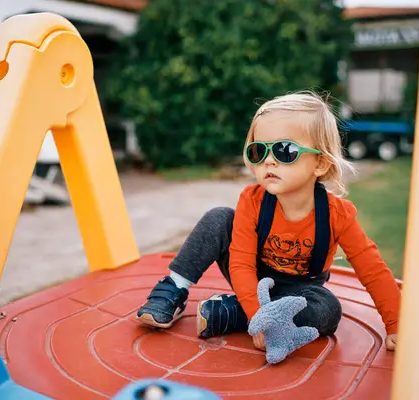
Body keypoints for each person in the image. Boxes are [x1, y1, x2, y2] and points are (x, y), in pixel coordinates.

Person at [136, 91, 401, 355]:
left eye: (285, 151)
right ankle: (174, 289)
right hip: (252, 276)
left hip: (299, 290)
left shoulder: (338, 215)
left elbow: (373, 271)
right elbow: (240, 263)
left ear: (319, 163)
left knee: (329, 309)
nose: (269, 160)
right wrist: (259, 315)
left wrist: (396, 324)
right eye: (258, 151)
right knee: (219, 217)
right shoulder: (252, 201)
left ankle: (235, 313)